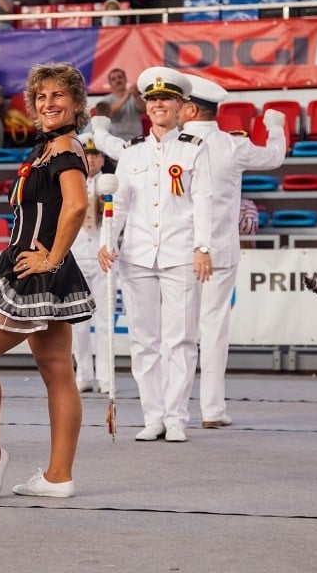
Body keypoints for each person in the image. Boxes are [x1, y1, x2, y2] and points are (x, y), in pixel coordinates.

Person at [0, 62, 94, 501]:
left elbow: (76, 206)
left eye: (58, 96)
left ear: (76, 104)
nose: (48, 103)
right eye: (41, 97)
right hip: (37, 265)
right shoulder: (48, 149)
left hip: (36, 268)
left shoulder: (65, 150)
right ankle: (58, 476)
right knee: (57, 372)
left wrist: (51, 259)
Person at [93, 67, 214, 443]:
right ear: (146, 106)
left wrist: (203, 247)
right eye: (153, 99)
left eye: (167, 99)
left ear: (181, 107)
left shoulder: (194, 149)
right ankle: (153, 416)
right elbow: (121, 203)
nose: (159, 104)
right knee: (144, 340)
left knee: (179, 338)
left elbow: (204, 202)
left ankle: (177, 417)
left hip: (180, 252)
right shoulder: (132, 153)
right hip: (138, 255)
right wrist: (107, 240)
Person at [179, 76, 286, 429]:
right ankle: (212, 409)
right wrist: (274, 125)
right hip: (221, 250)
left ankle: (172, 410)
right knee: (214, 330)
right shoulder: (233, 145)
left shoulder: (174, 145)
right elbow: (274, 157)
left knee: (177, 331)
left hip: (180, 250)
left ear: (191, 109)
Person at [70, 135, 113, 394]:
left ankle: (106, 376)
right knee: (78, 322)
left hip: (102, 253)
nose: (92, 159)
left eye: (96, 155)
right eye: (87, 155)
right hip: (76, 252)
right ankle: (83, 373)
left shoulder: (111, 183)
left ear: (103, 159)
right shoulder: (70, 183)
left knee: (106, 319)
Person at [99, 68, 146, 141]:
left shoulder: (135, 96)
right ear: (110, 83)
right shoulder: (106, 100)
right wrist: (126, 96)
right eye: (113, 79)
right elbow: (108, 112)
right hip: (115, 140)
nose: (117, 80)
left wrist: (136, 95)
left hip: (136, 139)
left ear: (125, 79)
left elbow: (145, 110)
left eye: (120, 77)